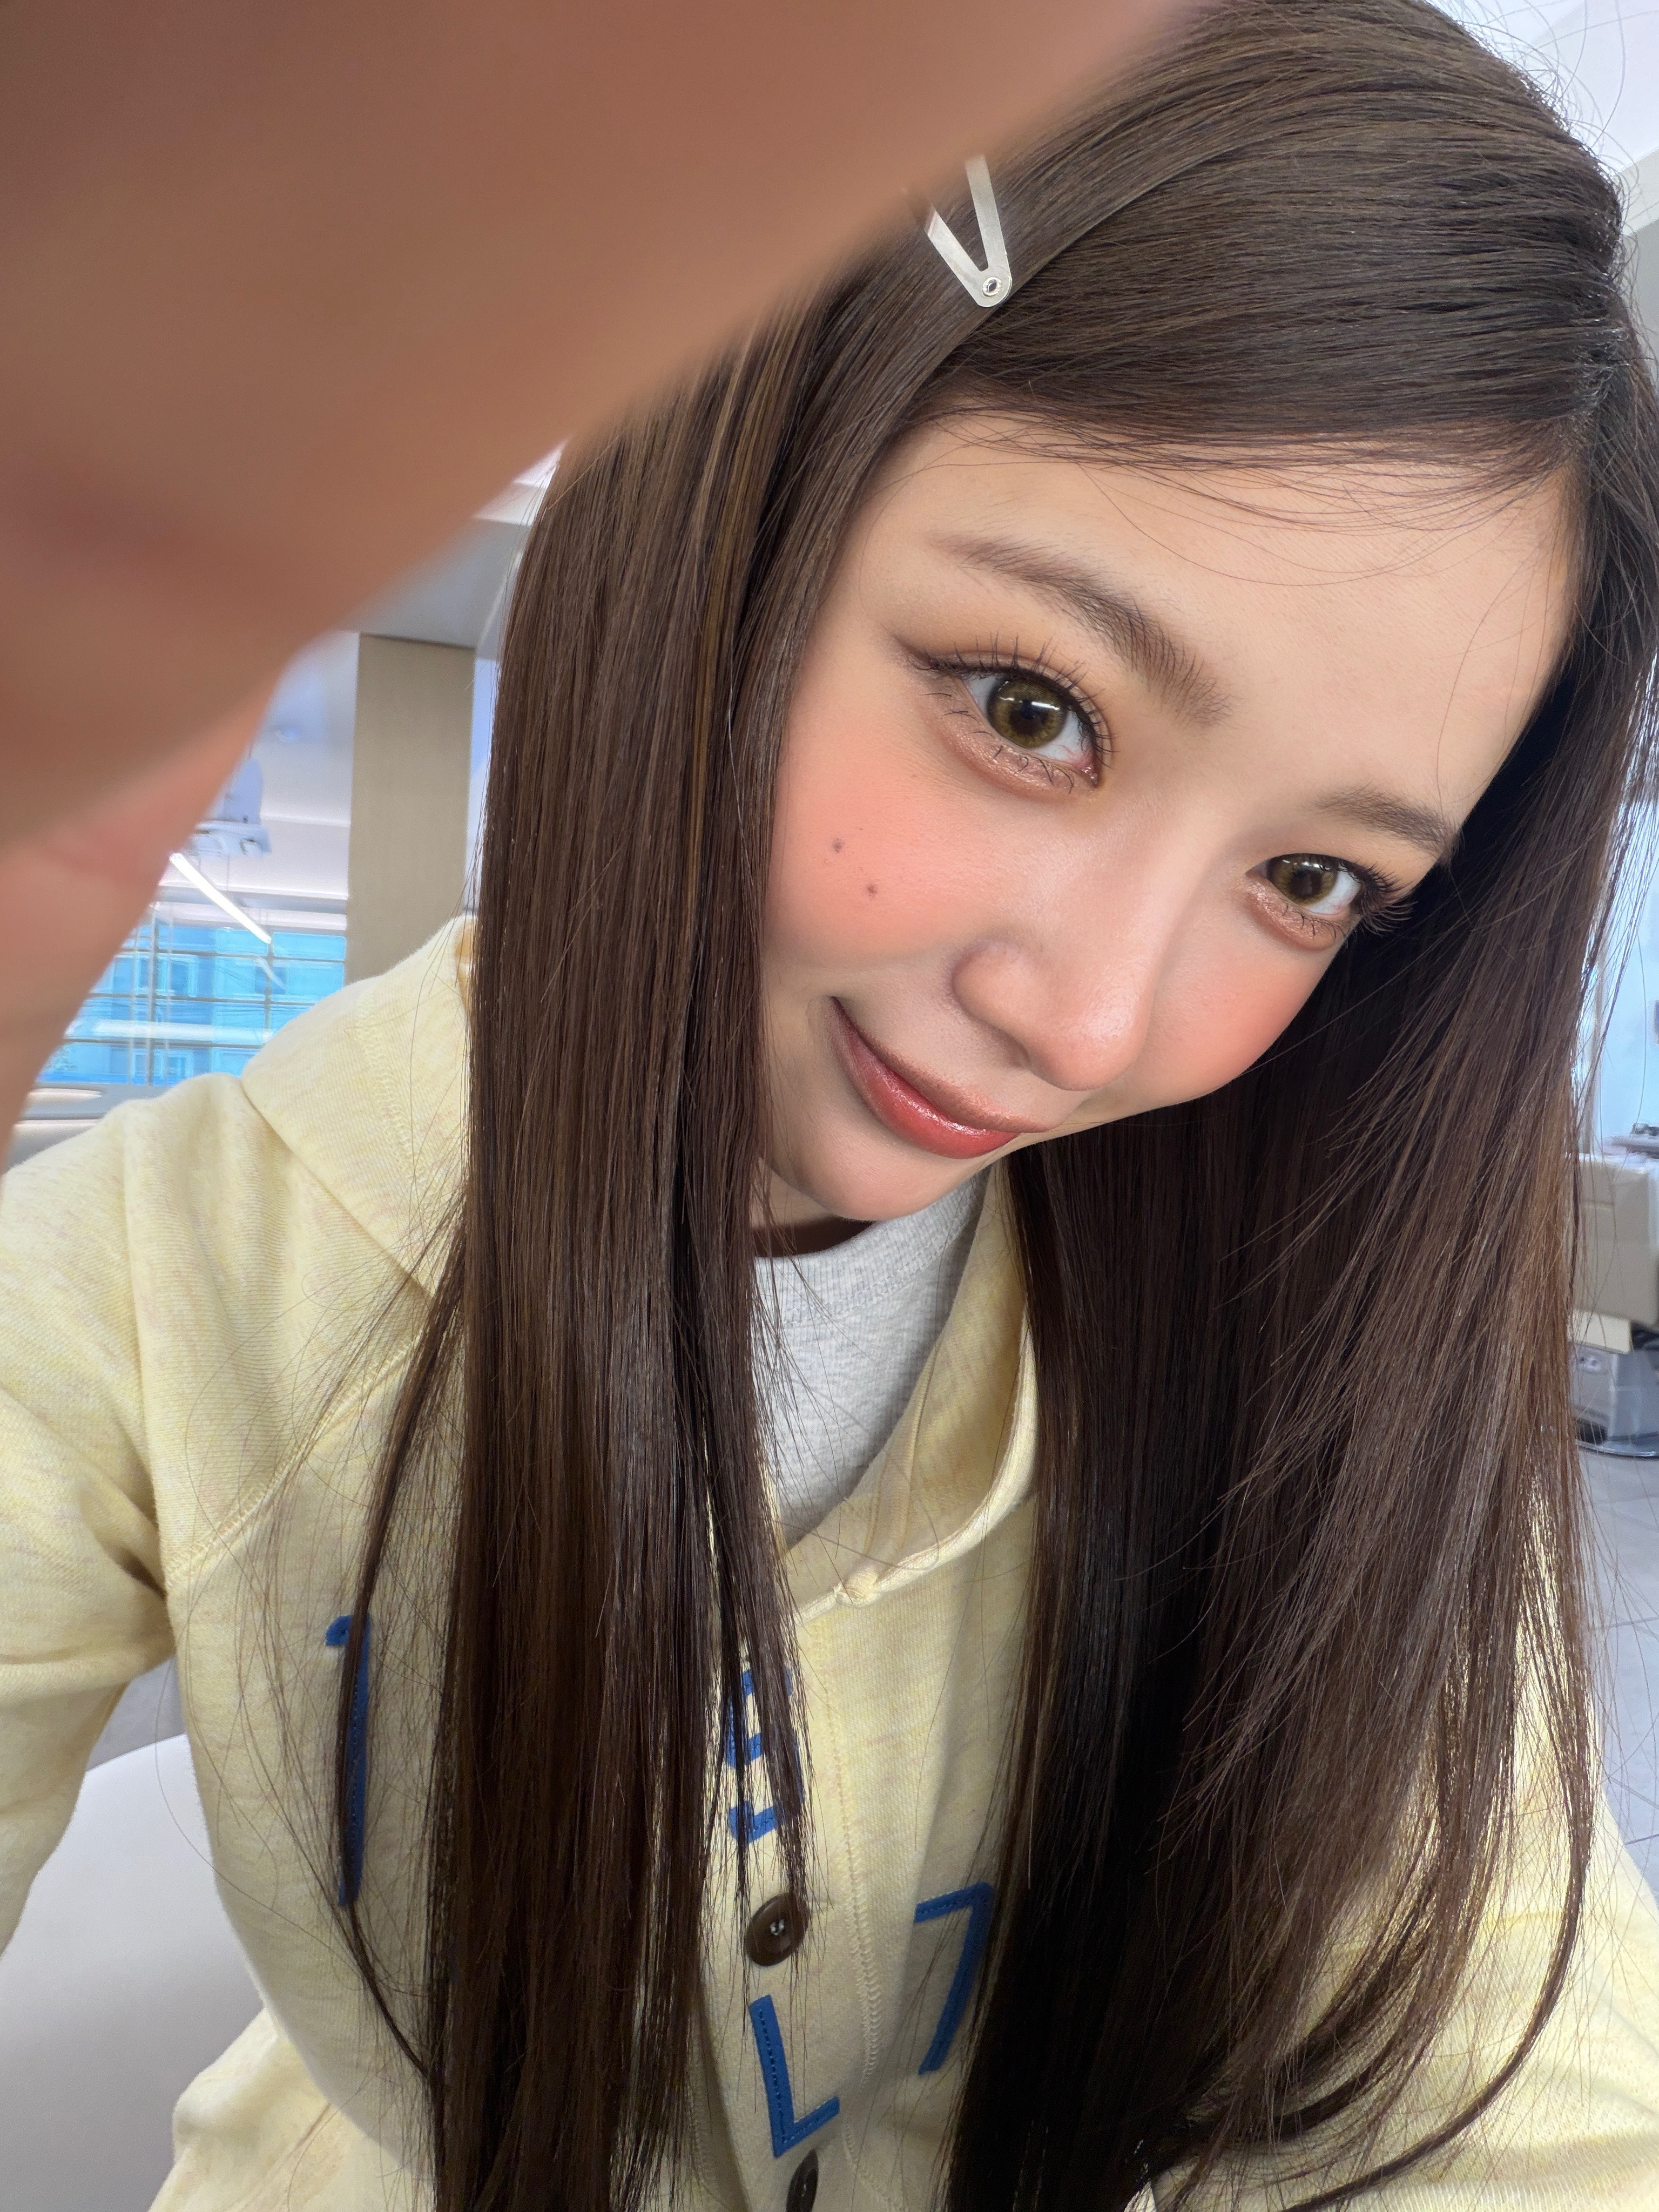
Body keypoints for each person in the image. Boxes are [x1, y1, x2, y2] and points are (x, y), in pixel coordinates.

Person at [5, 1, 1659, 2207]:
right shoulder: (174, 1275)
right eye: (1032, 708)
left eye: (1312, 881)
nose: (1088, 1020)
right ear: (738, 515)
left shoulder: (1314, 1342)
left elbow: (1536, 2089)